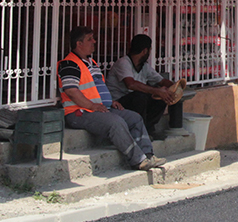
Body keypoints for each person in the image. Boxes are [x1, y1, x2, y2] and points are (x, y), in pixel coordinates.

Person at [57, 26, 165, 171]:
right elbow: (71, 91)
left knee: (134, 118)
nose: (94, 41)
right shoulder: (69, 64)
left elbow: (97, 88)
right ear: (79, 44)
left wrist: (110, 102)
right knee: (116, 122)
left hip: (99, 108)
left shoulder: (91, 63)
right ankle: (138, 160)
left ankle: (148, 155)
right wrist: (92, 106)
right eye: (90, 39)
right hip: (79, 112)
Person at [107, 34, 185, 133]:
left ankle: (148, 128)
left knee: (160, 99)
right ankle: (139, 131)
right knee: (140, 97)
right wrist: (157, 91)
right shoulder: (123, 63)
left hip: (135, 101)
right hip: (118, 102)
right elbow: (131, 84)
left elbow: (160, 80)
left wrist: (174, 87)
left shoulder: (144, 66)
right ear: (145, 51)